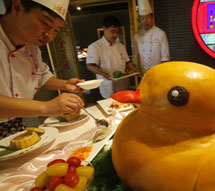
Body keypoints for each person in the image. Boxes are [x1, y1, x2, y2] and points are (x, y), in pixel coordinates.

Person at [0, 0, 85, 139]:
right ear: (16, 8)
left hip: (16, 125)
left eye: (56, 30)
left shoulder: (31, 46)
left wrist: (65, 84)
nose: (49, 36)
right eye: (45, 23)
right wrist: (46, 107)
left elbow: (41, 75)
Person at [86, 15, 133, 99]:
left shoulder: (121, 46)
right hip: (108, 85)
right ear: (104, 29)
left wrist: (133, 69)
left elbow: (128, 62)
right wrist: (101, 71)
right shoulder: (95, 46)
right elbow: (90, 66)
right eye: (112, 31)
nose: (115, 35)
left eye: (117, 32)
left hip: (123, 84)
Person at [133, 0, 170, 76]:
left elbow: (165, 58)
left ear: (152, 17)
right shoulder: (137, 36)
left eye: (147, 18)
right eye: (142, 19)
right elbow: (135, 55)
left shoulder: (160, 33)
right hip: (143, 75)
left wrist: (162, 74)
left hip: (158, 74)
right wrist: (134, 69)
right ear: (140, 20)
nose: (145, 21)